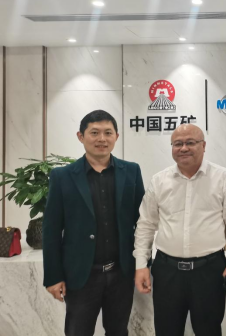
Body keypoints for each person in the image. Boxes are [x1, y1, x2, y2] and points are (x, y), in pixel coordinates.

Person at [134, 123, 226, 336]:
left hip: (209, 271)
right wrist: (141, 265)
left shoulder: (223, 177)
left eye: (190, 142)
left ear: (203, 146)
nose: (183, 148)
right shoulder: (159, 180)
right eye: (177, 143)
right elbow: (146, 225)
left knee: (209, 331)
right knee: (166, 331)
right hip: (167, 271)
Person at [42, 110, 145, 336]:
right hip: (81, 274)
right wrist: (53, 276)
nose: (102, 139)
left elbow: (143, 223)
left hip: (121, 273)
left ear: (116, 136)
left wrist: (142, 264)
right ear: (81, 136)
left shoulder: (131, 171)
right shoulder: (62, 176)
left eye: (108, 133)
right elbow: (51, 230)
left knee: (118, 331)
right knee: (78, 331)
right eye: (95, 133)